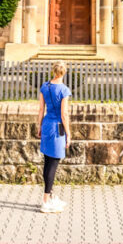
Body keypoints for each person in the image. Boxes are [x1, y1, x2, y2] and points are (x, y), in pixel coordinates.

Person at [37, 60, 71, 213]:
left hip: (46, 125)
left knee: (47, 161)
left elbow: (40, 110)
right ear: (64, 73)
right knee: (54, 163)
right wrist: (68, 133)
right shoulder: (64, 90)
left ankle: (49, 196)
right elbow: (64, 114)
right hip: (57, 128)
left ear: (53, 71)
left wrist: (38, 126)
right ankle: (46, 200)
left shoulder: (45, 86)